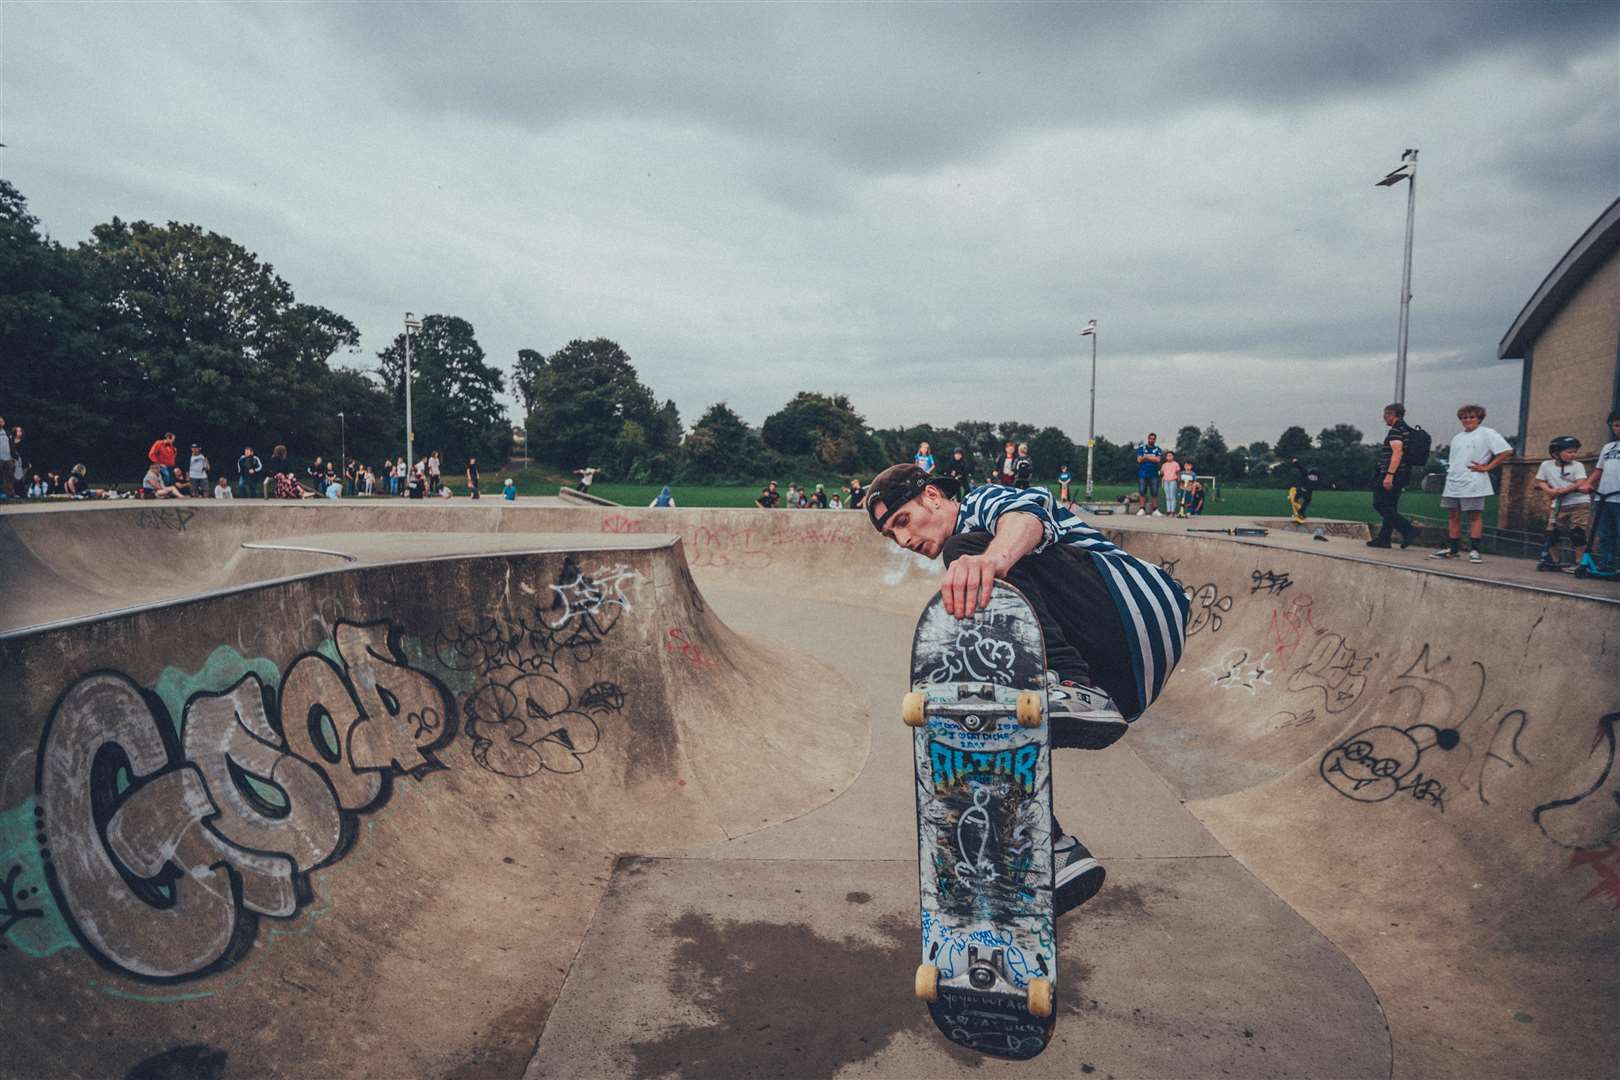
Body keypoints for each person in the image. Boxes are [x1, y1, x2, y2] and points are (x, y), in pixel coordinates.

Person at [863, 463, 1188, 916]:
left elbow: (1027, 515)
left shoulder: (980, 506)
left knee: (968, 555)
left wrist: (992, 559)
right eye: (891, 536)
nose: (903, 541)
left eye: (902, 521)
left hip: (1135, 609)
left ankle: (1074, 685)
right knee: (979, 714)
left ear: (933, 497)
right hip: (1122, 680)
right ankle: (1047, 848)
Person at [1431, 404, 1512, 563]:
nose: (1468, 420)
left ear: (1479, 418)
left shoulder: (1488, 433)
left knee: (1474, 516)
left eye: (1472, 417)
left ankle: (1474, 550)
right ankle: (1453, 549)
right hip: (1454, 482)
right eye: (1464, 417)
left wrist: (1487, 467)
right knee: (1453, 515)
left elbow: (1506, 451)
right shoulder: (1457, 437)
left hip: (1473, 481)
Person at [1368, 403, 1420, 549]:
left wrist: (1389, 475)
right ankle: (1384, 539)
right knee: (1390, 506)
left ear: (1391, 414)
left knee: (1379, 504)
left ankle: (1408, 530)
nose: (1384, 418)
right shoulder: (1406, 429)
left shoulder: (1396, 430)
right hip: (1402, 473)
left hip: (1393, 473)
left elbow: (1397, 453)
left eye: (1385, 415)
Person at [1535, 436, 1588, 571]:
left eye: (1575, 452)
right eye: (1569, 452)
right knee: (1552, 533)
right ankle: (1554, 561)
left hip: (1579, 503)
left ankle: (1579, 563)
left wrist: (1564, 490)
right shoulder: (1546, 465)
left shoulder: (1578, 465)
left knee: (1577, 533)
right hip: (1558, 504)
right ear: (1555, 453)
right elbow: (1540, 481)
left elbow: (1580, 482)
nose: (1573, 455)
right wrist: (1550, 491)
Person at [1583, 410, 1620, 576]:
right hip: (1604, 498)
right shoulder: (1608, 448)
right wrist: (1588, 483)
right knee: (1605, 534)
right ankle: (1607, 565)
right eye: (1617, 425)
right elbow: (1599, 470)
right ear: (1612, 427)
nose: (1619, 428)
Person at [1288, 458, 1320, 524]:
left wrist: (1295, 462)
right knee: (1307, 501)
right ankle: (1301, 512)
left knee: (1296, 497)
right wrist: (1332, 485)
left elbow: (1301, 468)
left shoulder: (1306, 474)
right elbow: (1324, 484)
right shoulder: (1318, 479)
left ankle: (1295, 500)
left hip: (1301, 490)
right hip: (1308, 493)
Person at [1135, 433, 1163, 508]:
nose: (1152, 440)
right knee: (1142, 491)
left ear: (1155, 440)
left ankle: (1155, 509)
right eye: (1150, 438)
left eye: (1153, 439)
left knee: (1154, 492)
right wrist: (1151, 457)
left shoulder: (1158, 449)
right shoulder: (1142, 448)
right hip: (1143, 473)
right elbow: (1139, 460)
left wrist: (1146, 456)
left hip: (1154, 473)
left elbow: (1158, 459)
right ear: (1148, 439)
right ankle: (1142, 508)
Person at [1159, 451, 1180, 516]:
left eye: (1170, 455)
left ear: (1173, 457)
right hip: (1166, 481)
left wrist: (1178, 480)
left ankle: (1172, 511)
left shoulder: (1176, 464)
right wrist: (1160, 473)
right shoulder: (1164, 465)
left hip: (1173, 481)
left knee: (1172, 496)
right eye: (1168, 456)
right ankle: (1168, 510)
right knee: (1167, 496)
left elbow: (1178, 472)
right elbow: (1161, 473)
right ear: (1166, 457)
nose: (1169, 457)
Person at [0, 416, 11, 501]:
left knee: (7, 477)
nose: (1, 423)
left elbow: (11, 445)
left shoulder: (7, 433)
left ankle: (6, 494)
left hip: (8, 459)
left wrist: (13, 457)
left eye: (2, 421)